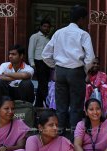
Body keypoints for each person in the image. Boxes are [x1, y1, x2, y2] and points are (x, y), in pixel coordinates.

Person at [42, 5, 95, 138]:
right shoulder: (83, 34)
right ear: (81, 19)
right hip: (76, 71)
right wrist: (84, 69)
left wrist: (56, 66)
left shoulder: (58, 33)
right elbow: (90, 58)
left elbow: (45, 54)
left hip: (60, 72)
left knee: (61, 106)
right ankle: (74, 137)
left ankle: (59, 135)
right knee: (76, 107)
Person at [28, 19, 52, 107]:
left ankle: (38, 104)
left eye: (48, 27)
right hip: (38, 62)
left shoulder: (49, 39)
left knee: (43, 83)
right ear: (40, 27)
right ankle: (47, 102)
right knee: (43, 84)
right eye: (44, 26)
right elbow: (31, 50)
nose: (46, 28)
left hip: (46, 63)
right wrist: (32, 64)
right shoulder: (35, 36)